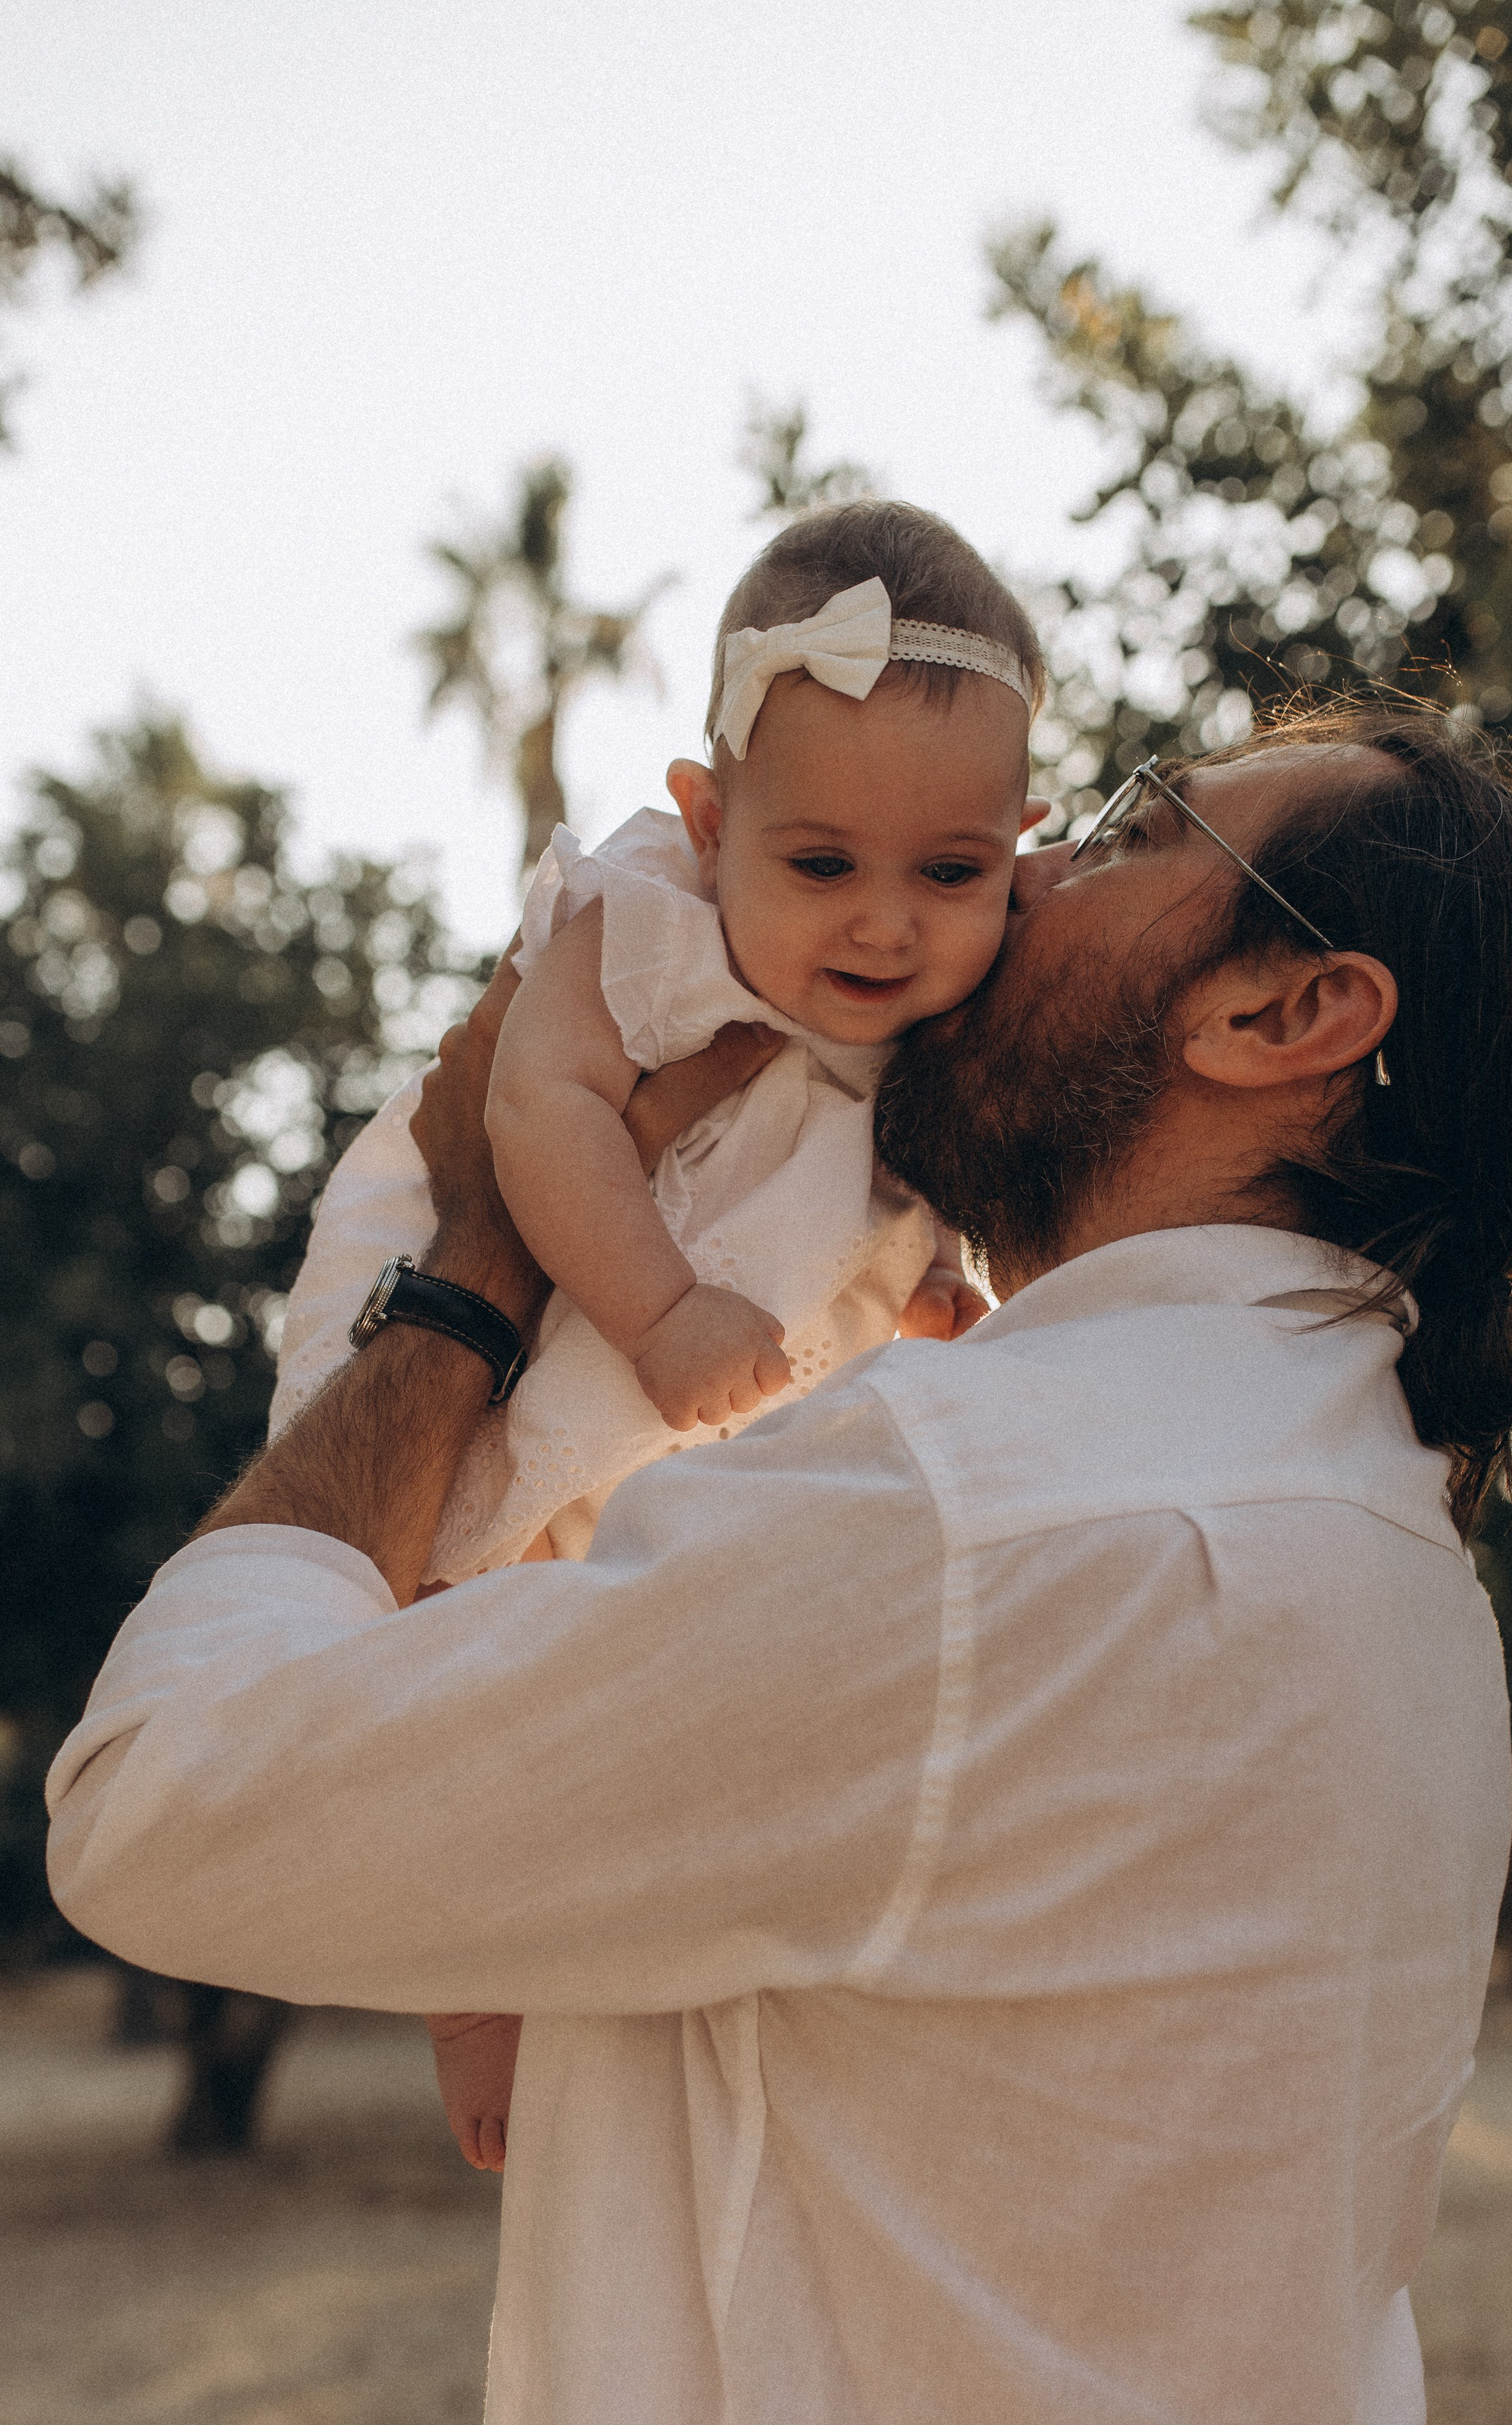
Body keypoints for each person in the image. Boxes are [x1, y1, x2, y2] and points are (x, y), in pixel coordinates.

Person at [46, 700, 1512, 2425]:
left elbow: (158, 1805)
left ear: (1286, 1017)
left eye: (1129, 830)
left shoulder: (975, 1514)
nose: (1017, 877)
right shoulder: (1381, 1542)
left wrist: (481, 1258)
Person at [273, 498, 1041, 2165]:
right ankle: (470, 2000)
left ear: (1021, 846)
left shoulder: (936, 1021)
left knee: (609, 1677)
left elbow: (876, 1209)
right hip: (550, 1275)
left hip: (693, 1373)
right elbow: (534, 1113)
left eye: (950, 874)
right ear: (708, 821)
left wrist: (923, 1307)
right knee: (447, 1625)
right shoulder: (646, 916)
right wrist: (658, 1305)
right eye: (819, 864)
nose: (884, 924)